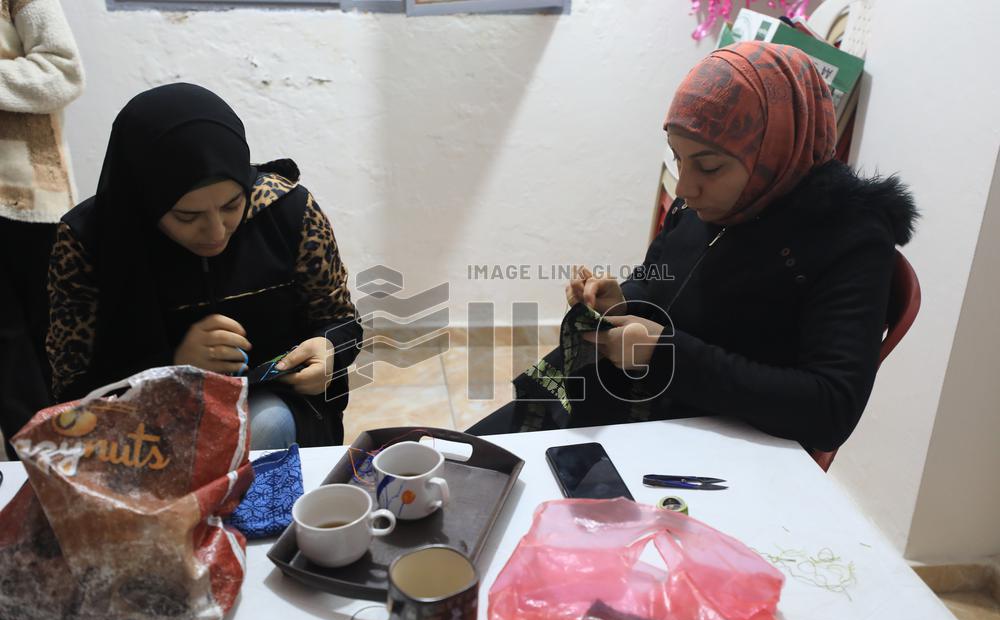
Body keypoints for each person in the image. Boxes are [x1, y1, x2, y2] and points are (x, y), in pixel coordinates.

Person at [469, 42, 917, 454]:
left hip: (720, 450)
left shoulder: (847, 239)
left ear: (775, 149)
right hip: (643, 408)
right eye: (678, 159)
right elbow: (664, 283)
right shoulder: (708, 206)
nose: (685, 187)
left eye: (708, 166)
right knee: (467, 461)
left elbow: (829, 410)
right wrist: (620, 302)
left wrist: (665, 353)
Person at [47, 83, 363, 450]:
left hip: (275, 408)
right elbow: (71, 388)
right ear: (145, 202)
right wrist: (173, 368)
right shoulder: (91, 241)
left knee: (266, 426)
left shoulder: (285, 210)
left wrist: (329, 350)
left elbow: (341, 320)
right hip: (147, 424)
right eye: (187, 215)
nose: (215, 231)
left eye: (231, 206)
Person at [0, 0, 84, 454]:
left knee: (53, 352)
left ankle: (65, 485)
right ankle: (39, 485)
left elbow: (63, 71)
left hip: (30, 198)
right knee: (8, 360)